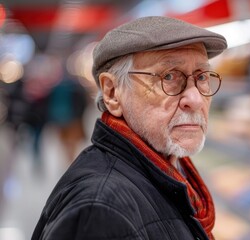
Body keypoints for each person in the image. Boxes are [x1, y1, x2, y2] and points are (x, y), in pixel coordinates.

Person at [32, 16, 227, 240]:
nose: (195, 99)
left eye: (201, 76)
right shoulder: (98, 212)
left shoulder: (171, 173)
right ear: (113, 93)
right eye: (169, 76)